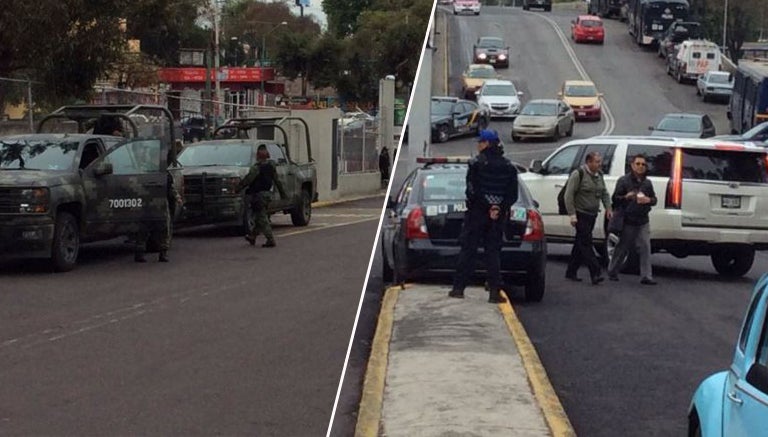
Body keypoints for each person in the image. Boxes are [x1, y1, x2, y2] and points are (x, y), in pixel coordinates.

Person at [448, 129, 518, 304]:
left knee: (468, 251)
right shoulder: (509, 166)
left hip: (477, 214)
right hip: (497, 217)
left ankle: (458, 289)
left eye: (480, 142)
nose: (478, 145)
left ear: (486, 144)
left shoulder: (476, 164)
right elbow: (512, 194)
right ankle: (494, 292)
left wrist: (487, 206)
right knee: (493, 254)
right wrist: (498, 208)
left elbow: (472, 191)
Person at [607, 154, 657, 285]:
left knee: (645, 247)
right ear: (632, 165)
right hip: (628, 220)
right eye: (638, 164)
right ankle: (612, 270)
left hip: (642, 220)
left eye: (643, 164)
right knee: (623, 247)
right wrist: (626, 197)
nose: (641, 167)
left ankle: (646, 276)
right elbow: (615, 199)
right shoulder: (624, 181)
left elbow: (654, 199)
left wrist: (648, 200)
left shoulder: (647, 183)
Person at [564, 151, 613, 285]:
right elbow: (568, 196)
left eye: (599, 162)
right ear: (589, 162)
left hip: (592, 215)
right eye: (597, 162)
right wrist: (572, 215)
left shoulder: (599, 175)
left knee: (580, 243)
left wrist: (608, 208)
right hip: (580, 214)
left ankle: (571, 271)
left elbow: (604, 193)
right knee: (586, 243)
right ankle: (595, 272)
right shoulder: (578, 174)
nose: (599, 164)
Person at [135, 149, 182, 263]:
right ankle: (143, 252)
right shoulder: (147, 170)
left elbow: (170, 188)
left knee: (160, 228)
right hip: (150, 202)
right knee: (147, 228)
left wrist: (177, 197)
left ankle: (160, 253)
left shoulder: (161, 172)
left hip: (156, 202)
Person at [235, 145, 287, 248]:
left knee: (262, 217)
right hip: (267, 195)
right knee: (260, 216)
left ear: (258, 156)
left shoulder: (257, 168)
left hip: (258, 196)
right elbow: (277, 181)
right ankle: (252, 236)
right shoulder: (271, 166)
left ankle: (270, 239)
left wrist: (237, 188)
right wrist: (283, 194)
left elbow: (248, 180)